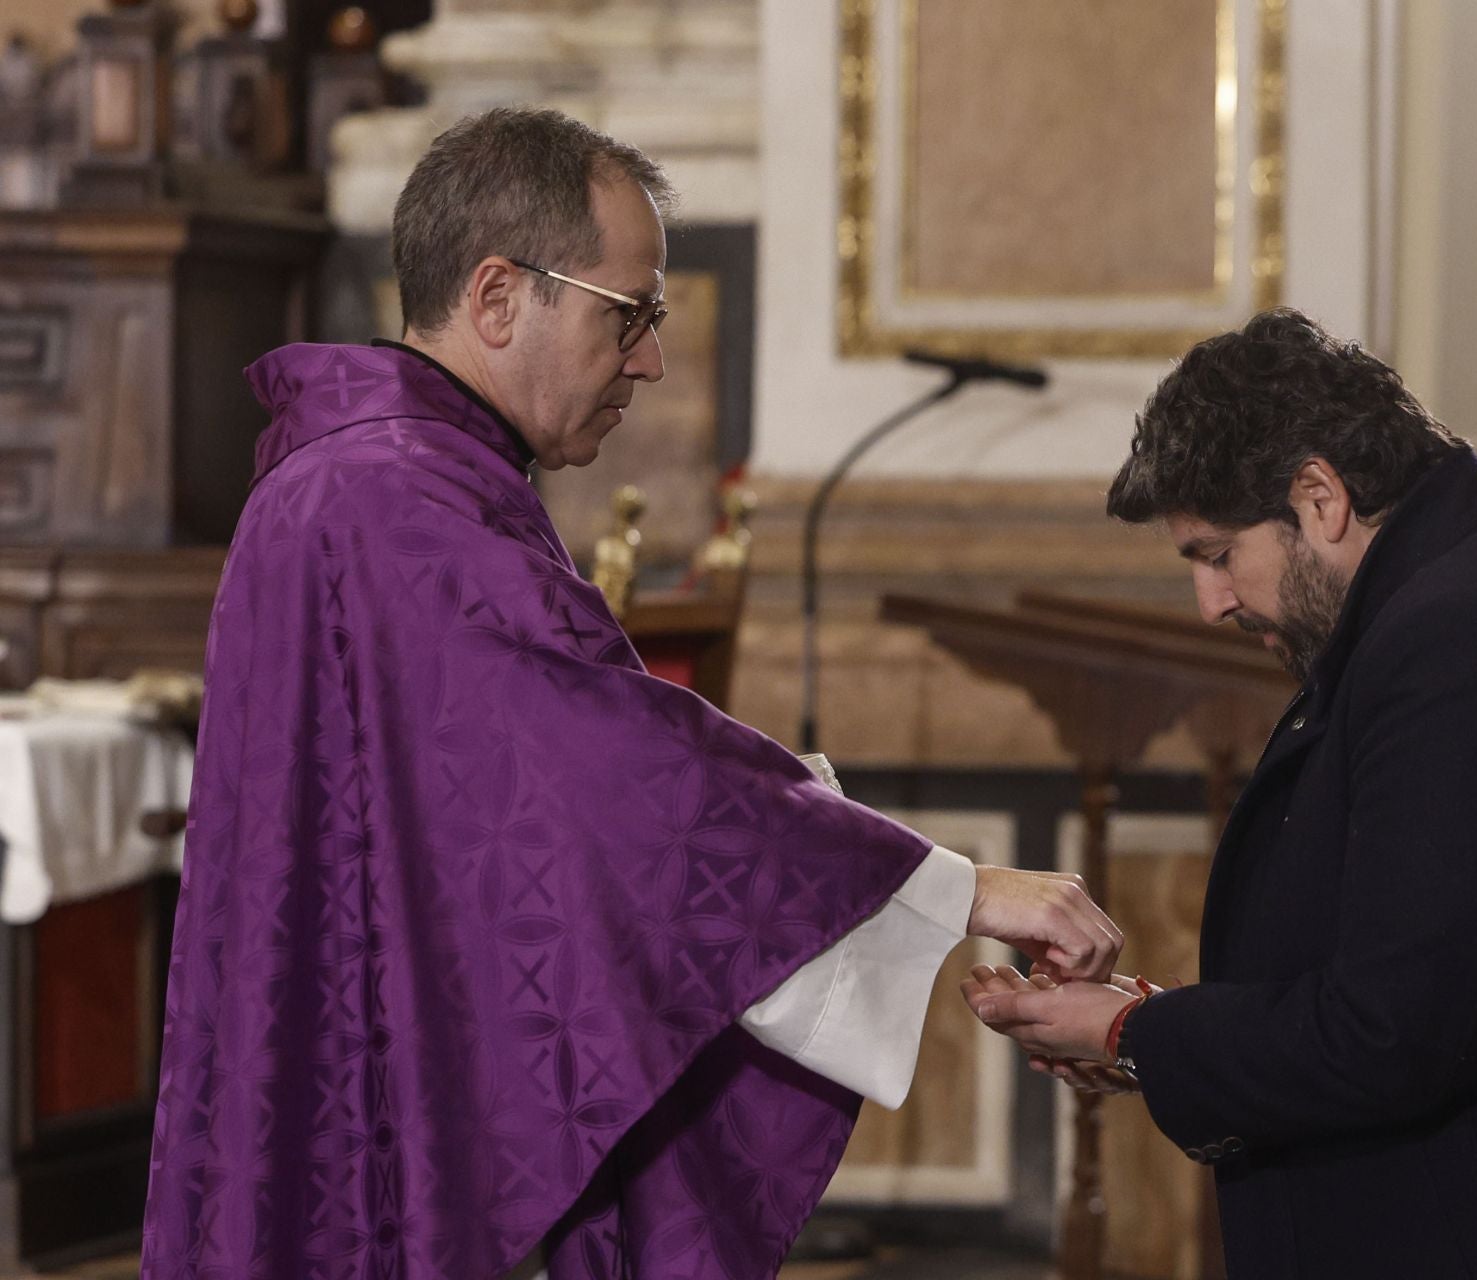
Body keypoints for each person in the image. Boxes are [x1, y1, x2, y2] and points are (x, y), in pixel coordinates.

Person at [140, 107, 1121, 1280]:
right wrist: (965, 889)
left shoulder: (371, 471)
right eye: (632, 313)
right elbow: (624, 783)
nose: (652, 356)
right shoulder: (398, 503)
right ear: (499, 297)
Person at [962, 308, 1477, 1278]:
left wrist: (1133, 1028)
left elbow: (1393, 1032)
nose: (1212, 602)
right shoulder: (1443, 609)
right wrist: (1150, 1032)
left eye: (1216, 554)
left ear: (1319, 496)